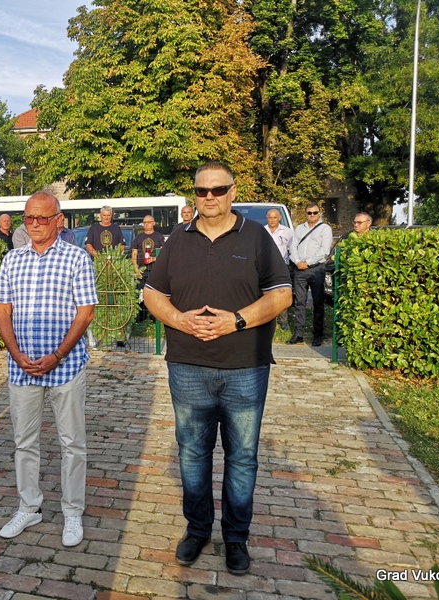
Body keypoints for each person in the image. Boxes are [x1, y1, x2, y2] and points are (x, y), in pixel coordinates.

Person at [143, 161, 292, 573]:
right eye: (202, 191)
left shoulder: (257, 236)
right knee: (193, 454)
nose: (209, 197)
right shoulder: (178, 238)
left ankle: (236, 538)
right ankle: (197, 530)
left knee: (242, 457)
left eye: (218, 189)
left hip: (245, 367)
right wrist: (180, 320)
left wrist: (236, 321)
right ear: (194, 194)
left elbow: (282, 295)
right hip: (188, 367)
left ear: (233, 191)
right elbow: (152, 293)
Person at [0, 191, 97, 547]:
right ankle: (28, 506)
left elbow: (85, 312)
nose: (34, 224)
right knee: (24, 442)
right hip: (22, 368)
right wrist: (16, 353)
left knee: (72, 443)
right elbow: (2, 309)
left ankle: (72, 512)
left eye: (42, 217)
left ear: (59, 220)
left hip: (66, 367)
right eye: (29, 217)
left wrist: (58, 355)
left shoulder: (76, 258)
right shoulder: (12, 260)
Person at [287, 202, 333, 346]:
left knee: (318, 303)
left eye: (315, 212)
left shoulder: (325, 229)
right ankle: (298, 334)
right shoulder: (299, 228)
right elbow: (293, 247)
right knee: (299, 302)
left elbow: (324, 250)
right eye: (309, 212)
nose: (312, 215)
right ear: (306, 213)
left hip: (316, 269)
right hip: (299, 269)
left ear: (319, 213)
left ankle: (317, 335)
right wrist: (297, 262)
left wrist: (308, 262)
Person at [264, 208, 293, 330]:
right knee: (266, 293)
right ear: (267, 218)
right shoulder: (262, 231)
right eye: (270, 218)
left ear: (279, 218)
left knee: (282, 292)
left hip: (282, 266)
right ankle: (267, 319)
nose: (272, 220)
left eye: (274, 217)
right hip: (265, 266)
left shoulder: (287, 232)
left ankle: (283, 320)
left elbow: (292, 249)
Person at [131, 215, 165, 284]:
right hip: (142, 270)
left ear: (153, 223)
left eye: (149, 222)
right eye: (145, 222)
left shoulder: (159, 237)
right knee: (141, 289)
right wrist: (136, 269)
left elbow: (164, 252)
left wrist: (154, 259)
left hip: (156, 270)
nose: (146, 224)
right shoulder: (138, 238)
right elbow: (134, 254)